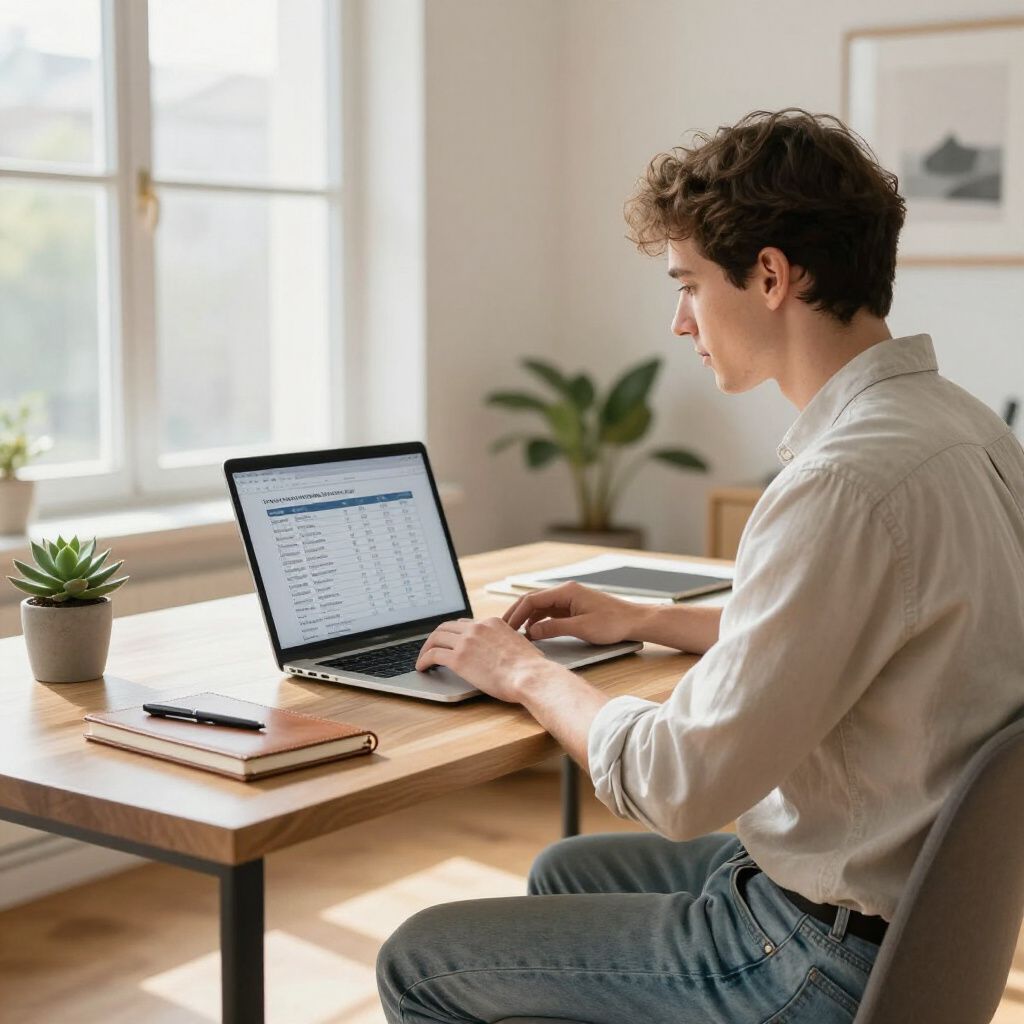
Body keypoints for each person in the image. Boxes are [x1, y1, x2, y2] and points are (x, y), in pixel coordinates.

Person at [376, 108, 1024, 1023]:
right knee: (567, 868)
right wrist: (645, 621)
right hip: (918, 922)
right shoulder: (965, 428)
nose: (680, 321)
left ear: (768, 275)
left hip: (813, 959)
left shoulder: (842, 482)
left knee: (420, 961)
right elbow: (878, 632)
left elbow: (679, 784)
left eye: (687, 285)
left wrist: (521, 671)